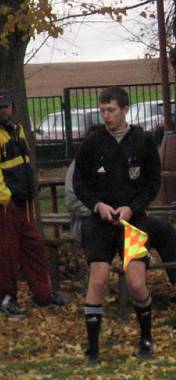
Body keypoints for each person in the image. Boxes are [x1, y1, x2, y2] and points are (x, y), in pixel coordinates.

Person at [73, 85, 162, 362]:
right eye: (102, 111)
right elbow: (79, 183)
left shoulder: (143, 141)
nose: (106, 116)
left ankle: (146, 338)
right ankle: (93, 348)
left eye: (111, 110)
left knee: (136, 283)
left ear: (124, 109)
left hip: (133, 224)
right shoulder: (93, 143)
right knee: (98, 279)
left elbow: (152, 184)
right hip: (100, 224)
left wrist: (131, 208)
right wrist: (98, 206)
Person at [0, 88, 67, 317]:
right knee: (6, 252)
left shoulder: (16, 130)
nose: (3, 111)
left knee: (33, 247)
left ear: (12, 107)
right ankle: (6, 299)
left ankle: (43, 294)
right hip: (5, 203)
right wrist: (3, 198)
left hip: (22, 201)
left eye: (5, 106)